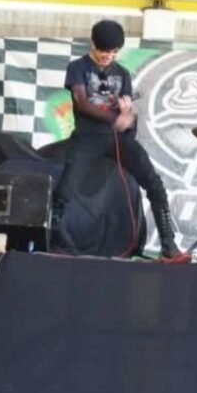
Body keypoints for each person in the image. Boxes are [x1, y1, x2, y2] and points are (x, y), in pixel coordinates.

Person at [63, 20, 182, 259]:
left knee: (155, 184)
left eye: (114, 52)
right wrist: (113, 118)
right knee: (64, 189)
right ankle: (51, 240)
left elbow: (127, 114)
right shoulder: (77, 67)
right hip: (87, 138)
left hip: (117, 139)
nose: (108, 56)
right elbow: (82, 103)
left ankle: (168, 245)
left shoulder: (122, 73)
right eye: (104, 51)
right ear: (93, 44)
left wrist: (127, 115)